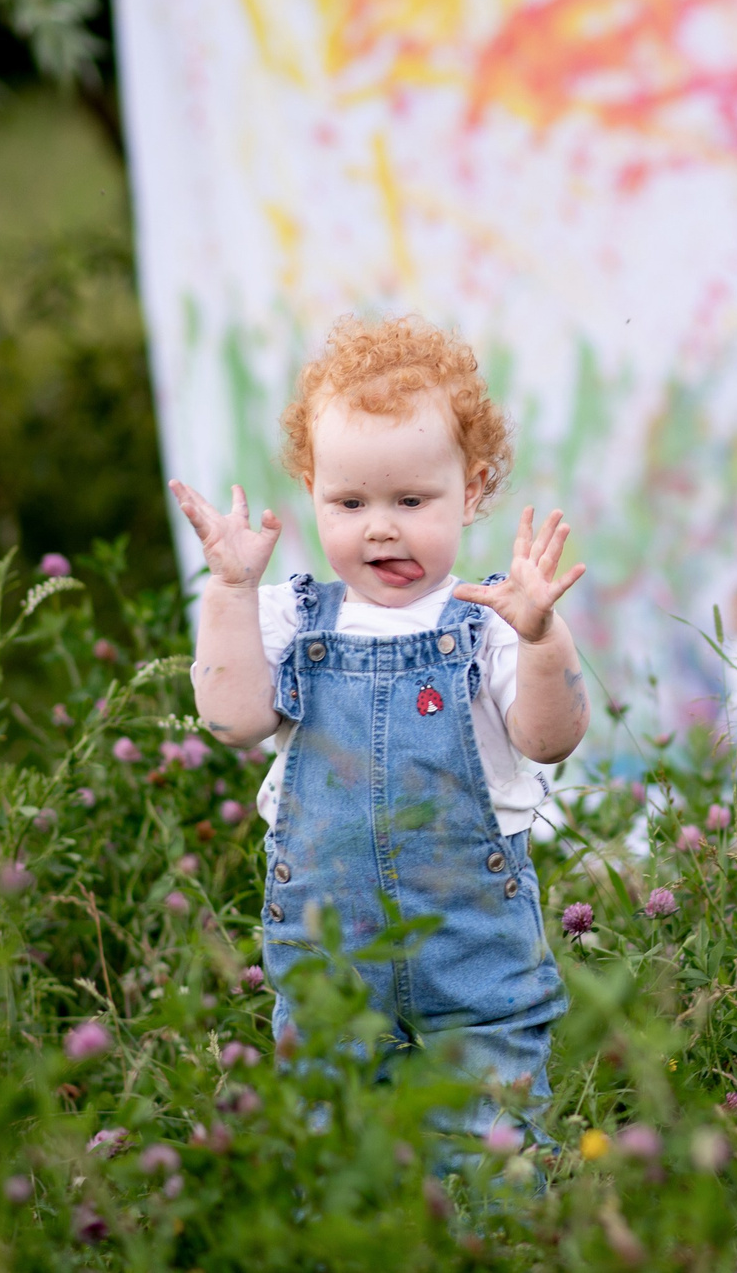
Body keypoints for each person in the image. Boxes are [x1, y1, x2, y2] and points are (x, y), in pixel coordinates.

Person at [170, 315, 585, 1143]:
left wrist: (543, 638)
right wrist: (230, 592)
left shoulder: (491, 622)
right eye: (350, 502)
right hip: (329, 957)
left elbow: (550, 738)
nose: (380, 526)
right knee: (335, 1159)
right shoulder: (293, 618)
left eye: (411, 500)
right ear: (312, 490)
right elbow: (232, 718)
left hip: (474, 954)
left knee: (491, 1151)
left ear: (470, 490)